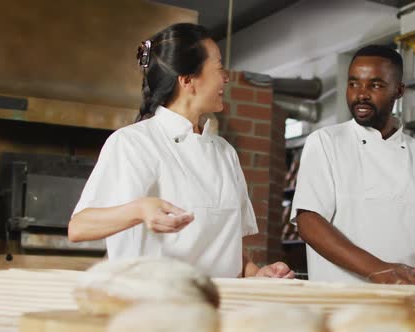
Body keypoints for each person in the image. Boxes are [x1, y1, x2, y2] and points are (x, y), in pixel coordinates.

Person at [68, 23, 293, 279]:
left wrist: (255, 272)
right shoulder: (133, 143)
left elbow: (225, 248)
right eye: (219, 68)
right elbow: (79, 227)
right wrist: (140, 209)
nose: (226, 77)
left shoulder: (225, 153)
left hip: (218, 307)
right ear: (187, 80)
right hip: (152, 306)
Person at [290, 45, 415, 285]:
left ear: (399, 90)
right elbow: (309, 222)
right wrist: (380, 271)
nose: (361, 94)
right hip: (340, 301)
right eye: (353, 84)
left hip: (408, 297)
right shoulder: (325, 142)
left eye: (375, 85)